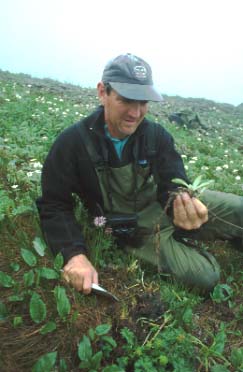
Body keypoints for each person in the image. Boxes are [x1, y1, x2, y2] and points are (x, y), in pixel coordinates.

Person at [36, 53, 243, 295]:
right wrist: (73, 254)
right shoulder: (72, 143)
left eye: (143, 102)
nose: (135, 113)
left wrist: (181, 198)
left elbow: (172, 178)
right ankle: (183, 243)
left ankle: (209, 235)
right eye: (126, 100)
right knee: (206, 276)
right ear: (103, 92)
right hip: (134, 231)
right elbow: (54, 204)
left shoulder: (156, 135)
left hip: (163, 208)